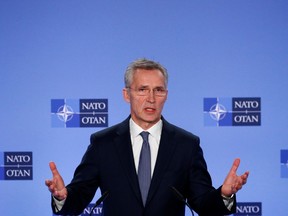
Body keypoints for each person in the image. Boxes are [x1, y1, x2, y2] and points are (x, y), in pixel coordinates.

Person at [45, 58, 249, 216]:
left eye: (158, 90)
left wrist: (224, 194)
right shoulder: (102, 144)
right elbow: (78, 197)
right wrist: (63, 197)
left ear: (166, 95)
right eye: (142, 90)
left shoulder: (187, 145)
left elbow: (204, 204)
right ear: (127, 95)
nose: (151, 99)